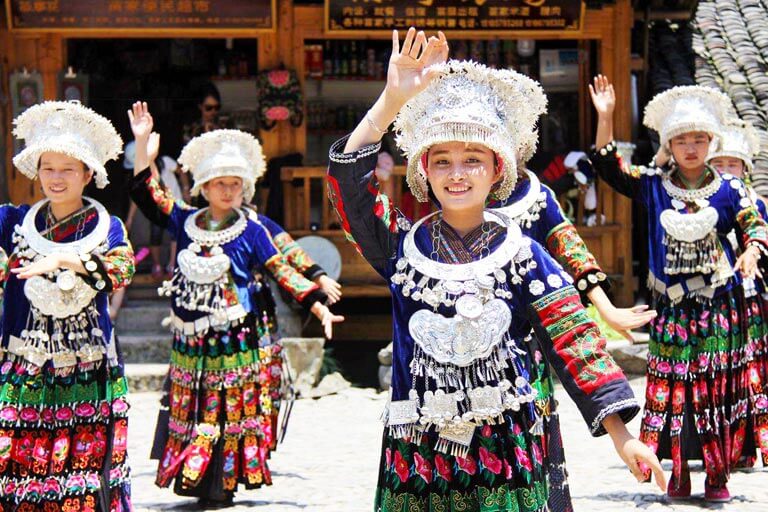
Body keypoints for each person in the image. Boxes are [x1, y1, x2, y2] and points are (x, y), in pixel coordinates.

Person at [329, 29, 665, 511]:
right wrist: (390, 101)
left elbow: (575, 343)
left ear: (497, 169)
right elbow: (348, 189)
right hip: (421, 451)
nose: (457, 172)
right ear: (424, 172)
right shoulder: (401, 249)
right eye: (441, 161)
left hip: (507, 451)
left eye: (472, 159)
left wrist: (621, 435)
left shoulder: (524, 255)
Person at [127, 102, 343, 508]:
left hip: (235, 340)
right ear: (203, 188)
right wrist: (142, 147)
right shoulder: (186, 222)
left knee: (227, 409)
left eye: (234, 183)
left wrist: (316, 300)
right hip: (192, 342)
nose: (227, 190)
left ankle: (221, 482)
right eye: (218, 183)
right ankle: (194, 476)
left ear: (244, 187)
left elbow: (282, 265)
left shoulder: (253, 228)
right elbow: (148, 195)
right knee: (193, 406)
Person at [589, 75, 768, 501]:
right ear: (670, 144)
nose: (691, 147)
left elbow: (754, 225)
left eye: (700, 139)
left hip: (717, 308)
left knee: (716, 390)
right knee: (672, 391)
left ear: (711, 142)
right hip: (671, 312)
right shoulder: (652, 185)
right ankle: (677, 476)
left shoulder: (730, 189)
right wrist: (607, 117)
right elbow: (607, 166)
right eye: (683, 139)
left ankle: (718, 475)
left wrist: (753, 251)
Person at [0, 101, 135, 511]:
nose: (56, 179)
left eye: (68, 169)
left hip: (87, 367)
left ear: (88, 174)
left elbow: (121, 270)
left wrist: (62, 259)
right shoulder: (11, 222)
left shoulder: (107, 227)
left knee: (83, 469)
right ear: (36, 170)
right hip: (25, 365)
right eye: (48, 168)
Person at [707, 118, 768, 469]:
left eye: (733, 164)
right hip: (715, 299)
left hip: (748, 296)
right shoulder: (703, 202)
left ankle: (749, 445)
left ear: (744, 168)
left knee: (750, 372)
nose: (726, 169)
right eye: (720, 163)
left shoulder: (754, 205)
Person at [180, 83, 232, 207]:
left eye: (216, 108)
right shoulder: (191, 129)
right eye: (209, 108)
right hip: (198, 182)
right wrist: (186, 188)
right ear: (200, 107)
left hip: (221, 181)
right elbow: (184, 161)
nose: (213, 112)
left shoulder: (223, 127)